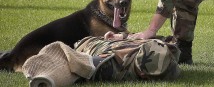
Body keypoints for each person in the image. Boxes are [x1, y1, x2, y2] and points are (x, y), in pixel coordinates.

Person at [22, 32, 181, 87]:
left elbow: (79, 66)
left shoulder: (109, 68)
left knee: (58, 51)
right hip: (100, 41)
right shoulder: (163, 53)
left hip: (86, 46)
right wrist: (123, 36)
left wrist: (47, 78)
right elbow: (151, 41)